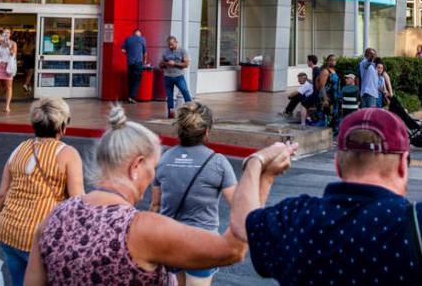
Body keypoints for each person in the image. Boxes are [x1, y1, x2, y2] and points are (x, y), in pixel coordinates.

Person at [24, 106, 292, 286]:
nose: (153, 175)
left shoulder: (53, 218)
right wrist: (259, 169)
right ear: (135, 165)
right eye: (152, 167)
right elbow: (235, 249)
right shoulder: (139, 229)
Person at [238, 108, 422, 285]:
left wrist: (258, 165)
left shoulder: (297, 216)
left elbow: (243, 226)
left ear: (338, 165)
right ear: (403, 163)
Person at [0, 98, 84, 286]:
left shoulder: (18, 149)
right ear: (62, 126)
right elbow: (77, 201)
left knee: (19, 281)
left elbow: (1, 194)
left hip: (9, 231)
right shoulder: (68, 154)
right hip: (42, 237)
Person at [151, 102, 237, 286]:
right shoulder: (218, 162)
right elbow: (238, 206)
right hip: (203, 243)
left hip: (170, 240)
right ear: (206, 131)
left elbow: (155, 206)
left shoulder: (164, 159)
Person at [161, 35, 192, 119]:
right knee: (169, 96)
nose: (170, 46)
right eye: (169, 45)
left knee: (185, 91)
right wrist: (165, 63)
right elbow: (161, 64)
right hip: (167, 76)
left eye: (172, 44)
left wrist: (174, 63)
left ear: (176, 42)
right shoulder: (165, 52)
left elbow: (186, 64)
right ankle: (171, 113)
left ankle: (191, 110)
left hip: (178, 76)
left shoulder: (182, 51)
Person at [0, 28, 18, 114]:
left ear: (10, 34)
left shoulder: (13, 43)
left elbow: (13, 54)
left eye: (8, 33)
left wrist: (9, 45)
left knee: (8, 87)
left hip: (8, 66)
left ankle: (7, 106)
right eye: (4, 33)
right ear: (2, 34)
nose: (6, 34)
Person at [121, 28, 148, 104]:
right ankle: (132, 97)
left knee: (130, 79)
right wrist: (145, 61)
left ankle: (129, 96)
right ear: (139, 33)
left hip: (130, 62)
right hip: (138, 62)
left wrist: (129, 54)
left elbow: (123, 50)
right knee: (137, 80)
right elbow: (145, 52)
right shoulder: (142, 39)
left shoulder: (128, 39)